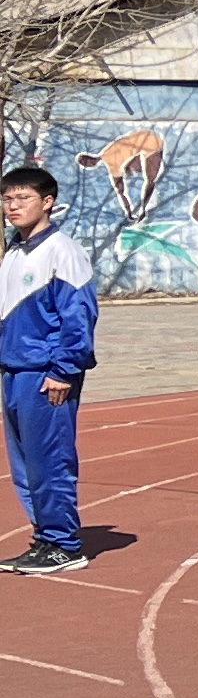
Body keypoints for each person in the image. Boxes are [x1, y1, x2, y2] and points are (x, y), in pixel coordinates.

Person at [0, 166, 95, 573]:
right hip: (13, 371)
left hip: (45, 373)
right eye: (7, 199)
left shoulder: (63, 251)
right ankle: (45, 536)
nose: (13, 206)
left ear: (47, 202)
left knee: (50, 461)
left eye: (23, 198)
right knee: (24, 466)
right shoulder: (13, 252)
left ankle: (64, 544)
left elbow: (79, 317)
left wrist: (63, 369)